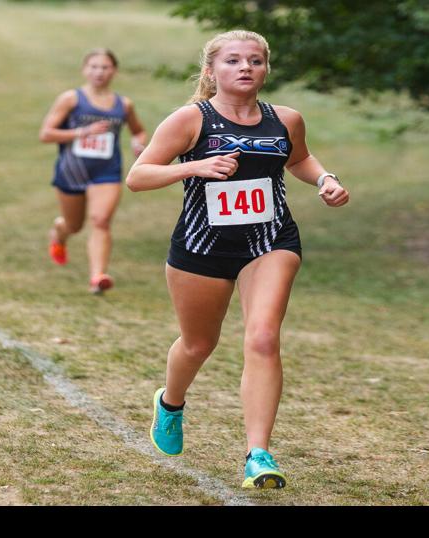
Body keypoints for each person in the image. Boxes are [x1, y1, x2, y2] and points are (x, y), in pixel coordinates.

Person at [126, 30, 349, 490]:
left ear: (266, 69)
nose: (245, 68)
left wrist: (325, 179)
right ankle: (170, 403)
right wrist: (194, 166)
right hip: (201, 248)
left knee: (264, 337)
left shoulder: (285, 120)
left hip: (270, 242)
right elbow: (138, 176)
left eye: (255, 61)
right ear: (212, 71)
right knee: (198, 344)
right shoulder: (190, 120)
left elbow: (300, 159)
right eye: (232, 61)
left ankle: (258, 454)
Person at [39, 48, 147, 294]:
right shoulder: (71, 99)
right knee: (74, 225)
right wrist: (82, 132)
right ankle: (59, 232)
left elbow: (138, 130)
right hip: (72, 171)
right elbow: (46, 134)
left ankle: (97, 277)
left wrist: (137, 142)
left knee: (101, 221)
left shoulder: (123, 105)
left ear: (114, 71)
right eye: (94, 67)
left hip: (106, 172)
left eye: (105, 67)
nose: (99, 72)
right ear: (85, 70)